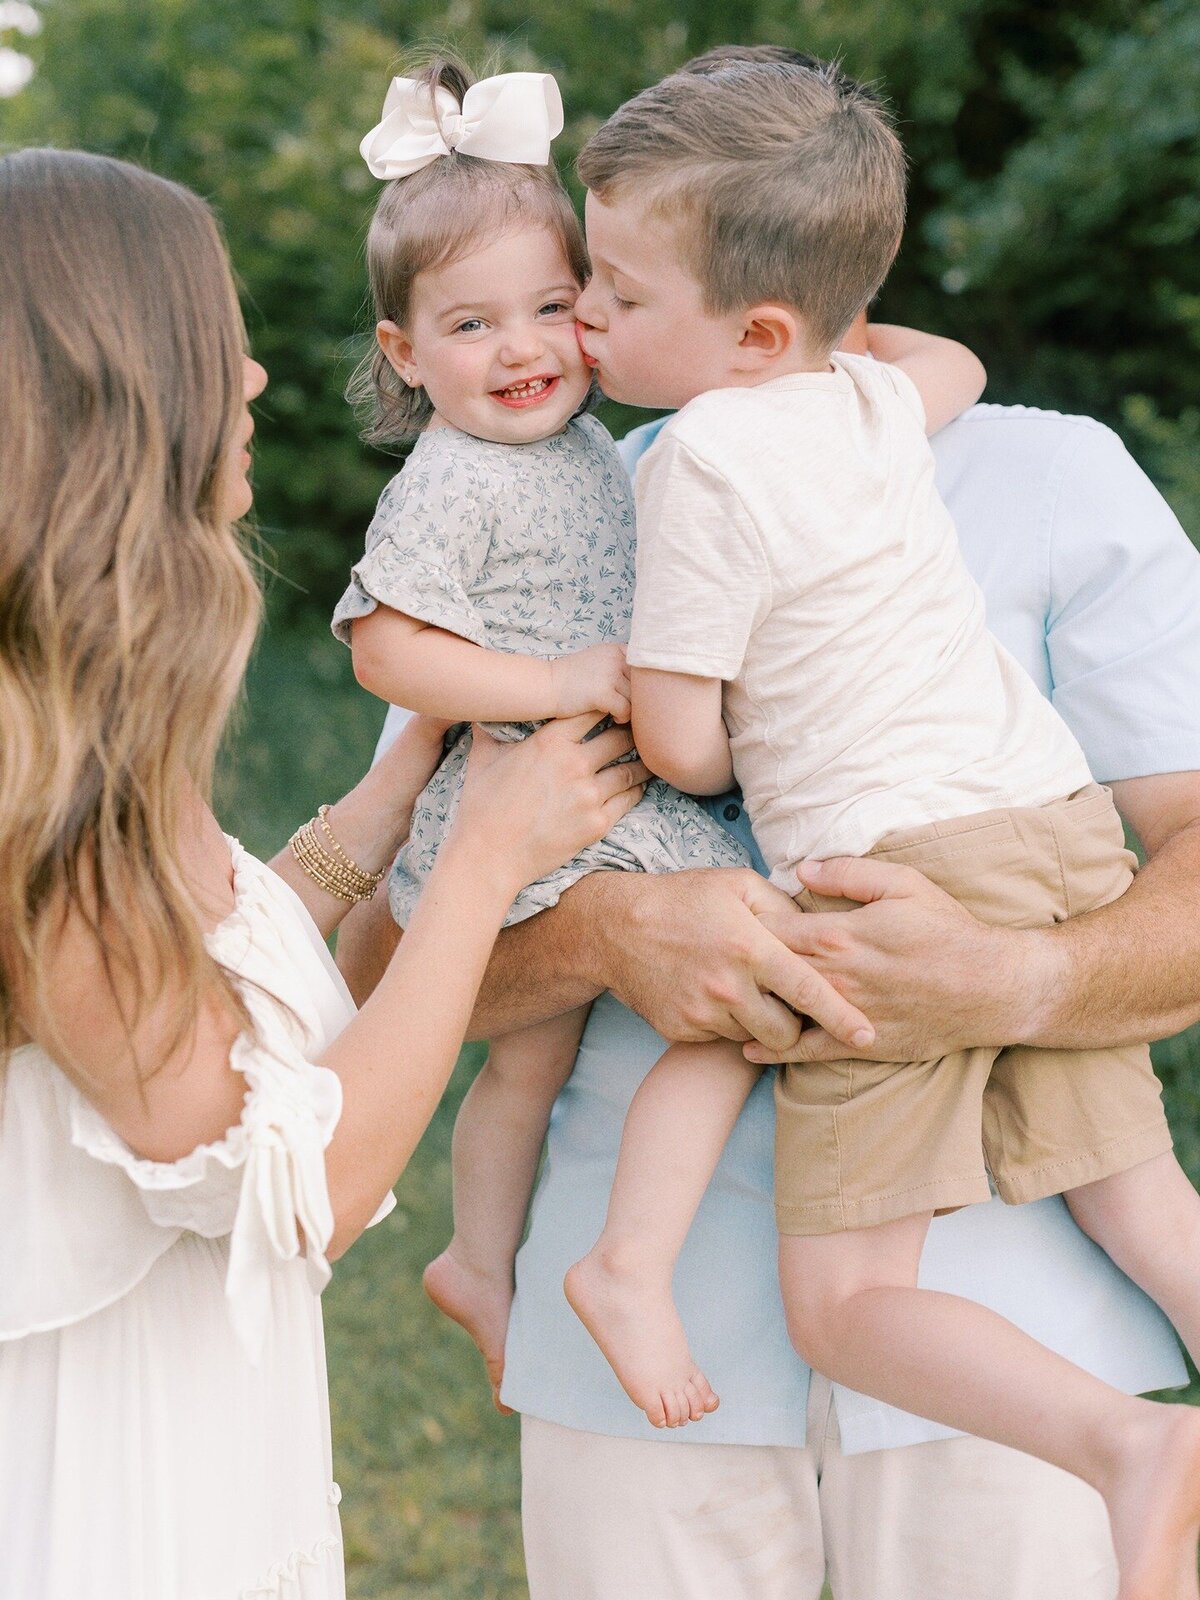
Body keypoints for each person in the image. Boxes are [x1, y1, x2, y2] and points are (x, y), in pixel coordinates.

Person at [338, 58, 1200, 1600]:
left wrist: (1017, 984)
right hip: (646, 1399)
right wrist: (606, 932)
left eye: (607, 284)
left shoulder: (1059, 478)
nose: (580, 322)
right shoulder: (555, 510)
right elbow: (379, 959)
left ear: (759, 297)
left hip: (1021, 1365)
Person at [0, 146, 648, 1600]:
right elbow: (301, 1187)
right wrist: (480, 863)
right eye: (213, 340)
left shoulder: (81, 716)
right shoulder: (26, 777)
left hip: (208, 1452)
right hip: (101, 1503)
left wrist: (398, 779)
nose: (251, 381)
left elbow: (198, 988)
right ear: (118, 382)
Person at [330, 57, 748, 1407]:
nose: (520, 350)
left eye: (552, 309)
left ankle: (479, 1259)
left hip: (579, 786)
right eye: (470, 325)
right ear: (403, 353)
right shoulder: (454, 477)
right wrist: (556, 674)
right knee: (734, 978)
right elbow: (382, 646)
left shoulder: (582, 447)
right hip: (538, 795)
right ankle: (628, 1261)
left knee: (531, 1060)